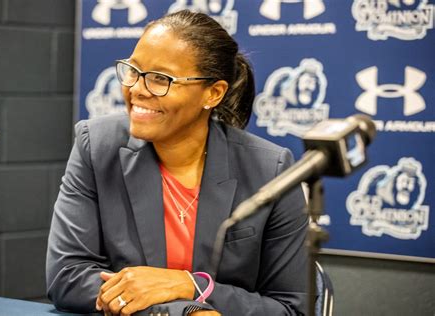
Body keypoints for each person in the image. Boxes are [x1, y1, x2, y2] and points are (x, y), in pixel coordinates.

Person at [46, 10, 308, 316]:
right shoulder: (97, 145)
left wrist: (191, 285)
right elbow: (68, 277)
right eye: (133, 71)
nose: (137, 89)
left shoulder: (270, 169)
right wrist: (186, 310)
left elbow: (292, 308)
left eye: (161, 79)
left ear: (213, 93)